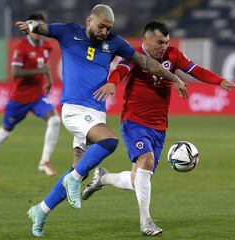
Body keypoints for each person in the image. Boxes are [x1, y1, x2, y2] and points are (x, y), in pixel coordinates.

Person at [15, 5, 187, 237]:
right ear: (89, 21)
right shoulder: (69, 32)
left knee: (78, 169)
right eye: (101, 26)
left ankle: (41, 210)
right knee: (109, 142)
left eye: (108, 28)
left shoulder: (115, 42)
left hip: (95, 114)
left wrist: (173, 77)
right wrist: (31, 26)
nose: (105, 31)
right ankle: (74, 180)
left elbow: (144, 61)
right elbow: (44, 28)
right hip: (74, 110)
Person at [81, 21, 235, 236]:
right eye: (159, 42)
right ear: (145, 39)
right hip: (134, 122)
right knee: (146, 161)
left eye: (166, 42)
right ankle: (146, 221)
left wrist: (219, 81)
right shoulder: (135, 55)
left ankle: (102, 178)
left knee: (138, 179)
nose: (163, 47)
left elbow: (196, 71)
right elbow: (121, 70)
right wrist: (112, 83)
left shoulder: (174, 55)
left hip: (159, 127)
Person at [0, 13, 60, 184]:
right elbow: (15, 73)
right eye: (35, 27)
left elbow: (45, 66)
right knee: (5, 132)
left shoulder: (47, 46)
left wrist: (49, 79)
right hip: (19, 99)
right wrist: (42, 72)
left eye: (42, 27)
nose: (39, 31)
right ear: (29, 29)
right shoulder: (21, 47)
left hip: (38, 97)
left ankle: (44, 161)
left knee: (54, 120)